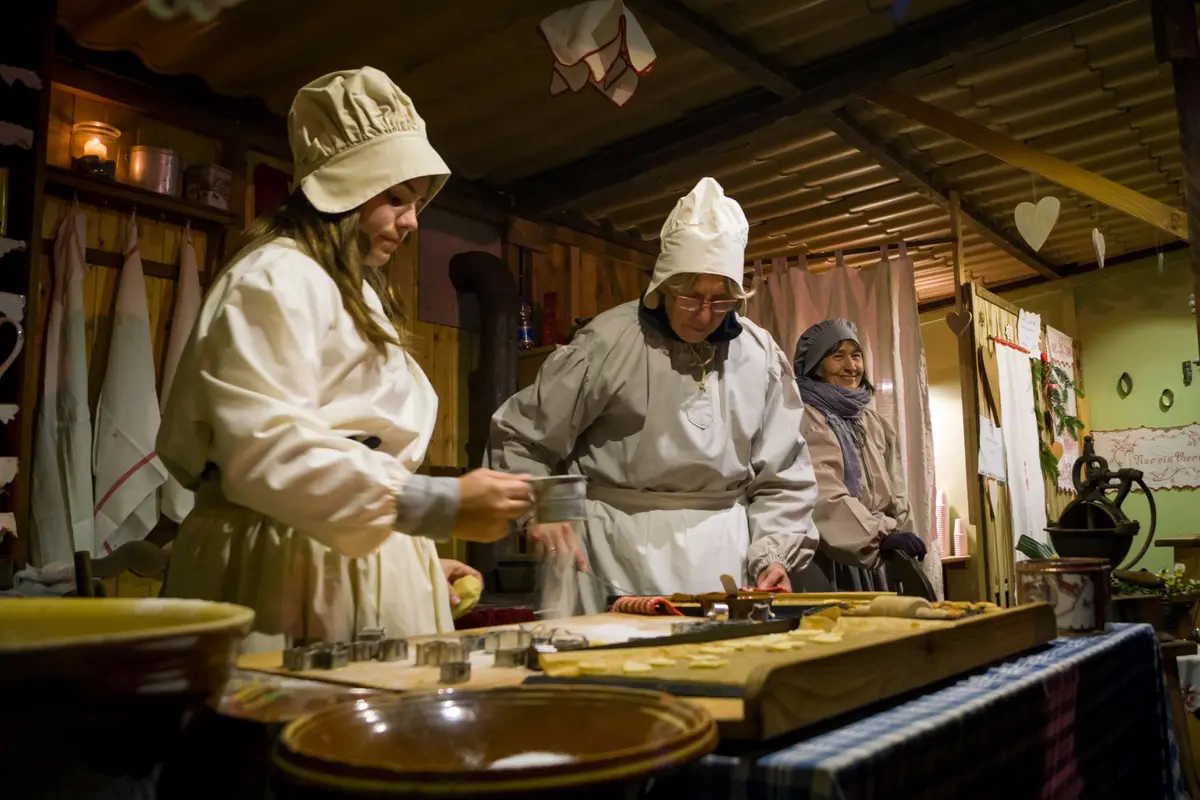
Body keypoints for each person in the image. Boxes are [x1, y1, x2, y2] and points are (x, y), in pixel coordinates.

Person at [158, 67, 532, 652]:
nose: (412, 221)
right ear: (348, 188)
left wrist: (407, 562)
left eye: (417, 203)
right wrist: (434, 504)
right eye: (396, 198)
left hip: (326, 559)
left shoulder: (355, 291)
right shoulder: (274, 277)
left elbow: (352, 450)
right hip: (276, 569)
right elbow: (267, 448)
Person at [488, 178, 820, 615]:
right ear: (663, 286)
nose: (704, 314)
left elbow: (783, 475)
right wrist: (544, 509)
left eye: (721, 300)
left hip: (724, 555)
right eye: (690, 297)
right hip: (614, 551)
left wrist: (774, 553)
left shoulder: (759, 356)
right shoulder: (607, 343)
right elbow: (523, 438)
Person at [790, 319, 926, 592]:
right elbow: (822, 494)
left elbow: (896, 489)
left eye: (856, 355)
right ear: (815, 366)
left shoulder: (873, 422)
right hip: (830, 556)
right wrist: (874, 537)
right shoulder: (807, 420)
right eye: (837, 356)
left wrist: (901, 537)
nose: (851, 366)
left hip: (877, 555)